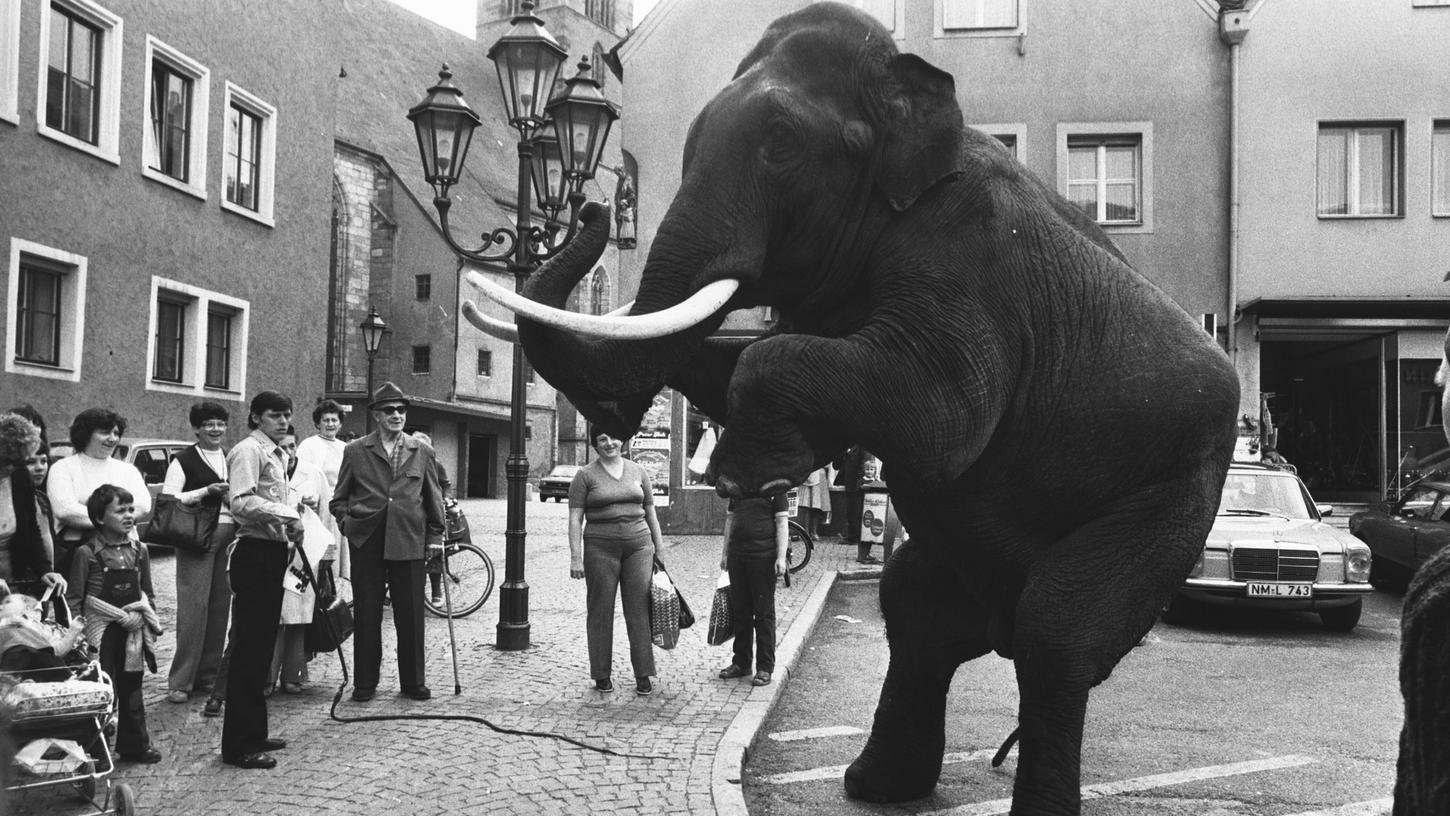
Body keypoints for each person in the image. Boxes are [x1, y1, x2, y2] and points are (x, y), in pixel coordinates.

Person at [330, 382, 444, 703]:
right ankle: (365, 683)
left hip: (409, 541)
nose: (397, 415)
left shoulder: (422, 451)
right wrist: (349, 525)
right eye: (389, 411)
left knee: (410, 616)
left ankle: (413, 682)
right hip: (367, 542)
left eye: (401, 410)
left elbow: (433, 498)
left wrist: (435, 536)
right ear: (376, 416)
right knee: (367, 615)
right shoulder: (355, 451)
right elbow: (338, 499)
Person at [221, 391, 303, 770]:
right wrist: (286, 513)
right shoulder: (248, 451)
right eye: (274, 415)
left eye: (286, 415)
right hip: (252, 554)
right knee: (249, 651)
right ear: (256, 417)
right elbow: (240, 502)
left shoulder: (277, 452)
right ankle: (238, 746)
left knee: (262, 647)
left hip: (272, 554)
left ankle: (254, 732)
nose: (283, 421)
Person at [66, 484, 161, 764]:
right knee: (99, 687)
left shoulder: (139, 550)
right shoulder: (86, 553)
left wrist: (147, 618)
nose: (129, 515)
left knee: (132, 686)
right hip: (101, 632)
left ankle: (135, 745)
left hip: (130, 630)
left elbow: (148, 592)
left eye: (131, 510)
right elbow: (75, 598)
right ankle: (95, 750)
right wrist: (77, 636)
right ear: (99, 518)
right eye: (120, 511)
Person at [568, 425, 663, 696]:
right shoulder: (584, 476)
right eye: (602, 438)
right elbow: (575, 519)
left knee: (639, 610)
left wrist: (660, 549)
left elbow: (651, 513)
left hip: (639, 547)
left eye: (614, 436)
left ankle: (643, 674)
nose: (610, 442)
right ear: (595, 445)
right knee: (600, 611)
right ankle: (601, 675)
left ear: (625, 439)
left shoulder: (638, 471)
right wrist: (576, 557)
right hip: (600, 548)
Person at [160, 401, 234, 705]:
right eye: (208, 424)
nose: (215, 429)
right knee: (193, 609)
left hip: (228, 537)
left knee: (219, 609)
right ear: (196, 429)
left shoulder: (230, 457)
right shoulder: (183, 460)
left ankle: (208, 675)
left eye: (220, 424)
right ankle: (181, 680)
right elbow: (169, 498)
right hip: (196, 538)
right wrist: (205, 492)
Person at [47, 408, 152, 579]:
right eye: (105, 432)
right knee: (75, 601)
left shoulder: (127, 470)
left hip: (123, 550)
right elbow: (65, 510)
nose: (112, 439)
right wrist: (115, 521)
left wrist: (103, 518)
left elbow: (143, 506)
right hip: (74, 551)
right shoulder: (63, 467)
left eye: (116, 433)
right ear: (85, 434)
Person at [271, 425, 330, 695]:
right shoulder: (267, 471)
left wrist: (329, 555)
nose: (288, 453)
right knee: (273, 616)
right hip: (274, 549)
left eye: (292, 446)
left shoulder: (313, 473)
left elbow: (327, 515)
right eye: (282, 447)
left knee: (298, 615)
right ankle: (267, 675)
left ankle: (293, 672)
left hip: (306, 554)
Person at [716, 492, 789, 687]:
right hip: (738, 556)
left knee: (763, 614)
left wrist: (781, 557)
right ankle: (741, 662)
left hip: (763, 557)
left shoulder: (775, 488)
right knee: (741, 611)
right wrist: (725, 553)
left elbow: (782, 524)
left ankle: (765, 667)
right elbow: (730, 520)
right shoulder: (739, 486)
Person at [0, 413, 66, 600]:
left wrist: (44, 569)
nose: (14, 468)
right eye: (10, 462)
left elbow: (31, 531)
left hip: (10, 582)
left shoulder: (19, 477)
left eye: (22, 462)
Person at [296, 399, 347, 580]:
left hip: (339, 508)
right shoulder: (309, 445)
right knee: (316, 555)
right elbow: (303, 477)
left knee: (335, 557)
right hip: (317, 509)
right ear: (318, 423)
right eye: (326, 420)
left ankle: (331, 597)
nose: (330, 424)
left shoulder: (345, 448)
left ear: (340, 424)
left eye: (334, 420)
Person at [411, 431, 452, 606]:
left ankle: (436, 591)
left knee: (435, 552)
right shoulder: (407, 463)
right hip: (413, 515)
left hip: (432, 513)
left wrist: (445, 498)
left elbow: (446, 484)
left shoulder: (435, 463)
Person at [833, 444, 877, 564]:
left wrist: (861, 484)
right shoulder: (846, 447)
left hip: (860, 488)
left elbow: (867, 466)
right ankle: (852, 538)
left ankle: (861, 549)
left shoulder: (863, 446)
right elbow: (835, 465)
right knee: (852, 514)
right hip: (850, 485)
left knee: (860, 517)